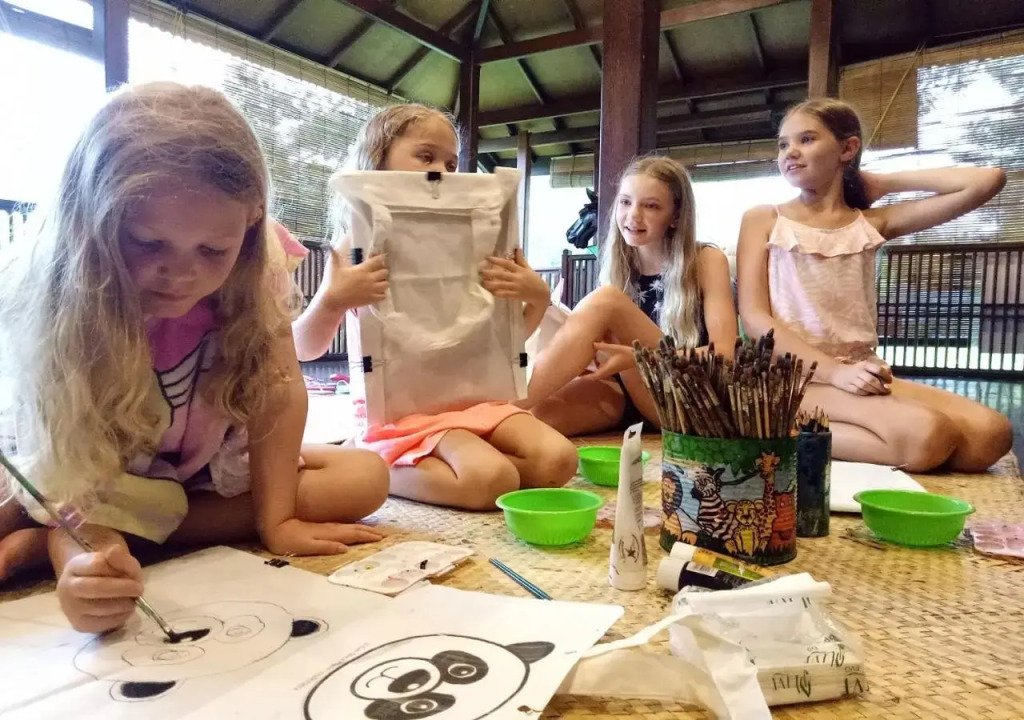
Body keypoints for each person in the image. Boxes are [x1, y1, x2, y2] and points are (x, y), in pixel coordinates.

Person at [0, 83, 389, 632]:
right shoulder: (67, 296)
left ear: (251, 222)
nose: (182, 273)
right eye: (147, 242)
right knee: (42, 510)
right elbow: (64, 469)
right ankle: (67, 539)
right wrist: (81, 545)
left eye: (213, 250)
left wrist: (277, 521)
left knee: (366, 476)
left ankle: (56, 540)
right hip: (97, 476)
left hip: (201, 472)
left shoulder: (259, 269)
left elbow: (279, 390)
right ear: (92, 221)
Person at [292, 104, 577, 511]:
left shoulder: (478, 240)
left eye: (451, 163)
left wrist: (538, 297)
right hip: (401, 412)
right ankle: (370, 458)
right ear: (378, 163)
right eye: (426, 157)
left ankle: (455, 462)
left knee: (559, 461)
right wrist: (332, 300)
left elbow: (506, 340)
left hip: (477, 400)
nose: (441, 172)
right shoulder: (356, 246)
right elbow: (304, 348)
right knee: (491, 480)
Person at [737, 97, 1012, 472]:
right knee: (927, 436)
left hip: (861, 372)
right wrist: (835, 373)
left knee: (990, 435)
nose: (790, 152)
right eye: (783, 144)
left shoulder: (871, 223)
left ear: (847, 149)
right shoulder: (764, 219)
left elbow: (987, 181)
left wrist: (884, 182)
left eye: (807, 139)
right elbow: (755, 318)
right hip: (792, 379)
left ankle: (842, 432)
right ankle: (777, 429)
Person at [517, 155, 738, 436]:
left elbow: (725, 354)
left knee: (606, 300)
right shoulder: (617, 264)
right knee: (533, 416)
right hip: (624, 389)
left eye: (651, 206)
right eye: (625, 202)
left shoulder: (706, 260)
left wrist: (643, 358)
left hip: (684, 394)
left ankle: (495, 408)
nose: (633, 215)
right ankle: (494, 418)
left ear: (676, 216)